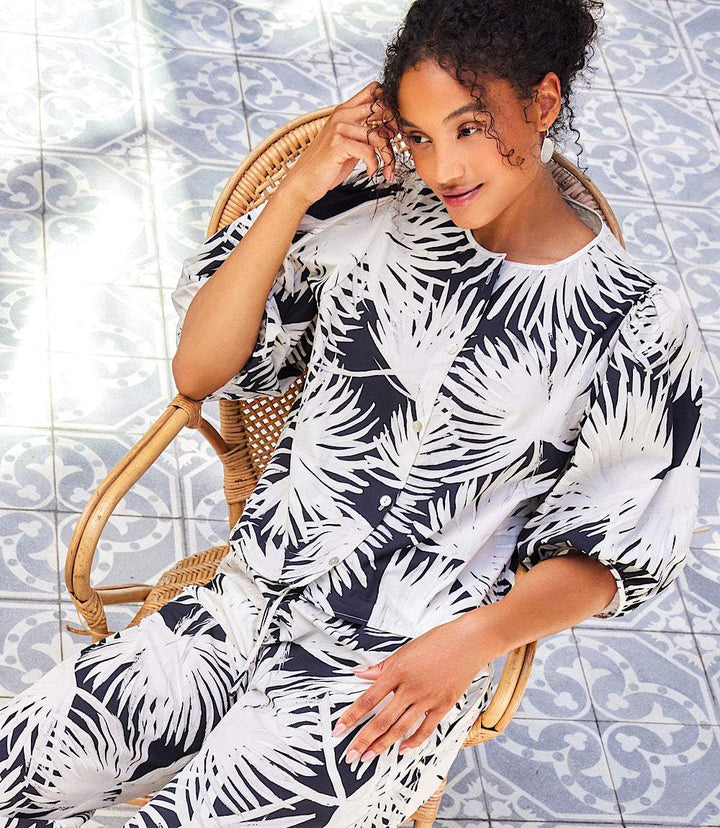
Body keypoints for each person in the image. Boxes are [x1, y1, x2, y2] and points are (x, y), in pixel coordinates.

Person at [0, 0, 704, 825]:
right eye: (419, 135)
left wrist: (471, 645)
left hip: (393, 667)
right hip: (241, 604)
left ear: (543, 103)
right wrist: (301, 186)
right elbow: (201, 370)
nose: (443, 166)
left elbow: (615, 554)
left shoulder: (634, 320)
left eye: (470, 128)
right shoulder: (369, 216)